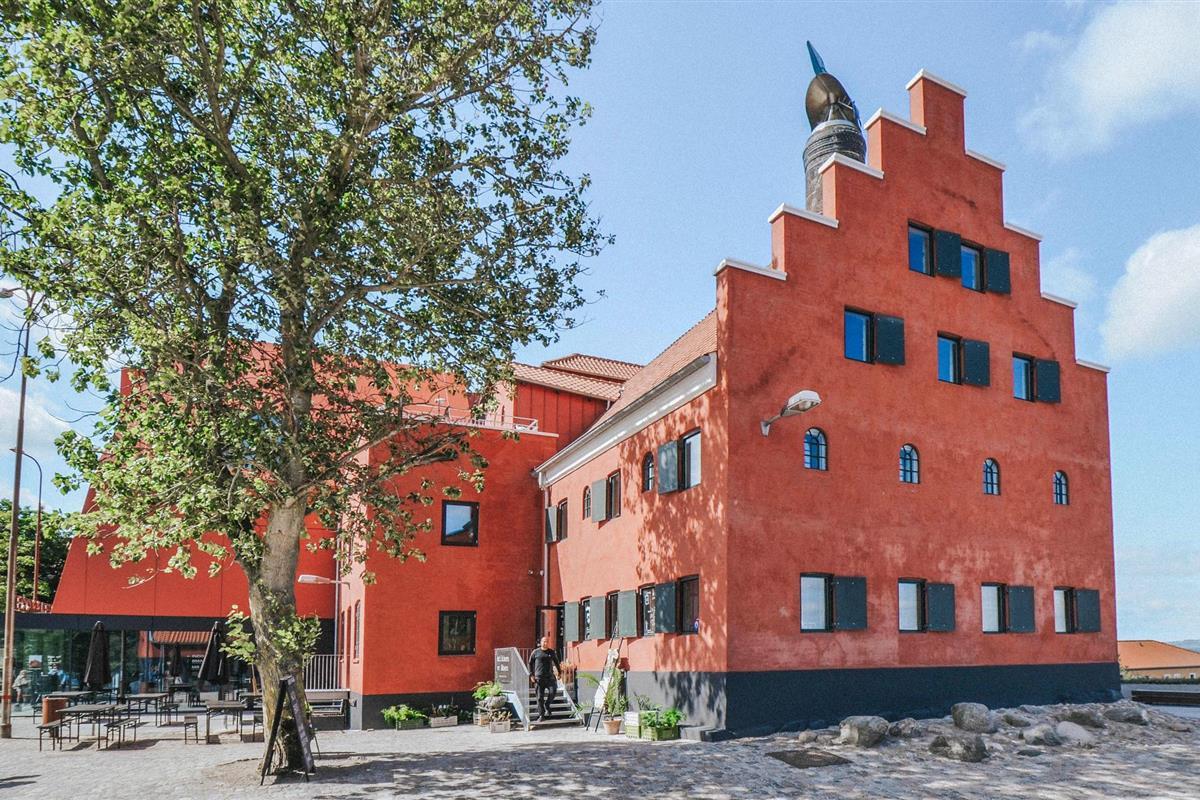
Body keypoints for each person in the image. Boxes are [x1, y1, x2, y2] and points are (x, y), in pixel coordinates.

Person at [526, 636, 561, 721]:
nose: (545, 643)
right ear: (541, 642)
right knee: (539, 698)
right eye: (544, 641)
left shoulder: (551, 652)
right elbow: (530, 663)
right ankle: (541, 715)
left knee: (553, 691)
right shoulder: (536, 652)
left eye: (547, 642)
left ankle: (547, 704)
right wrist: (531, 675)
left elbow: (556, 662)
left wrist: (559, 673)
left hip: (550, 677)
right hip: (539, 678)